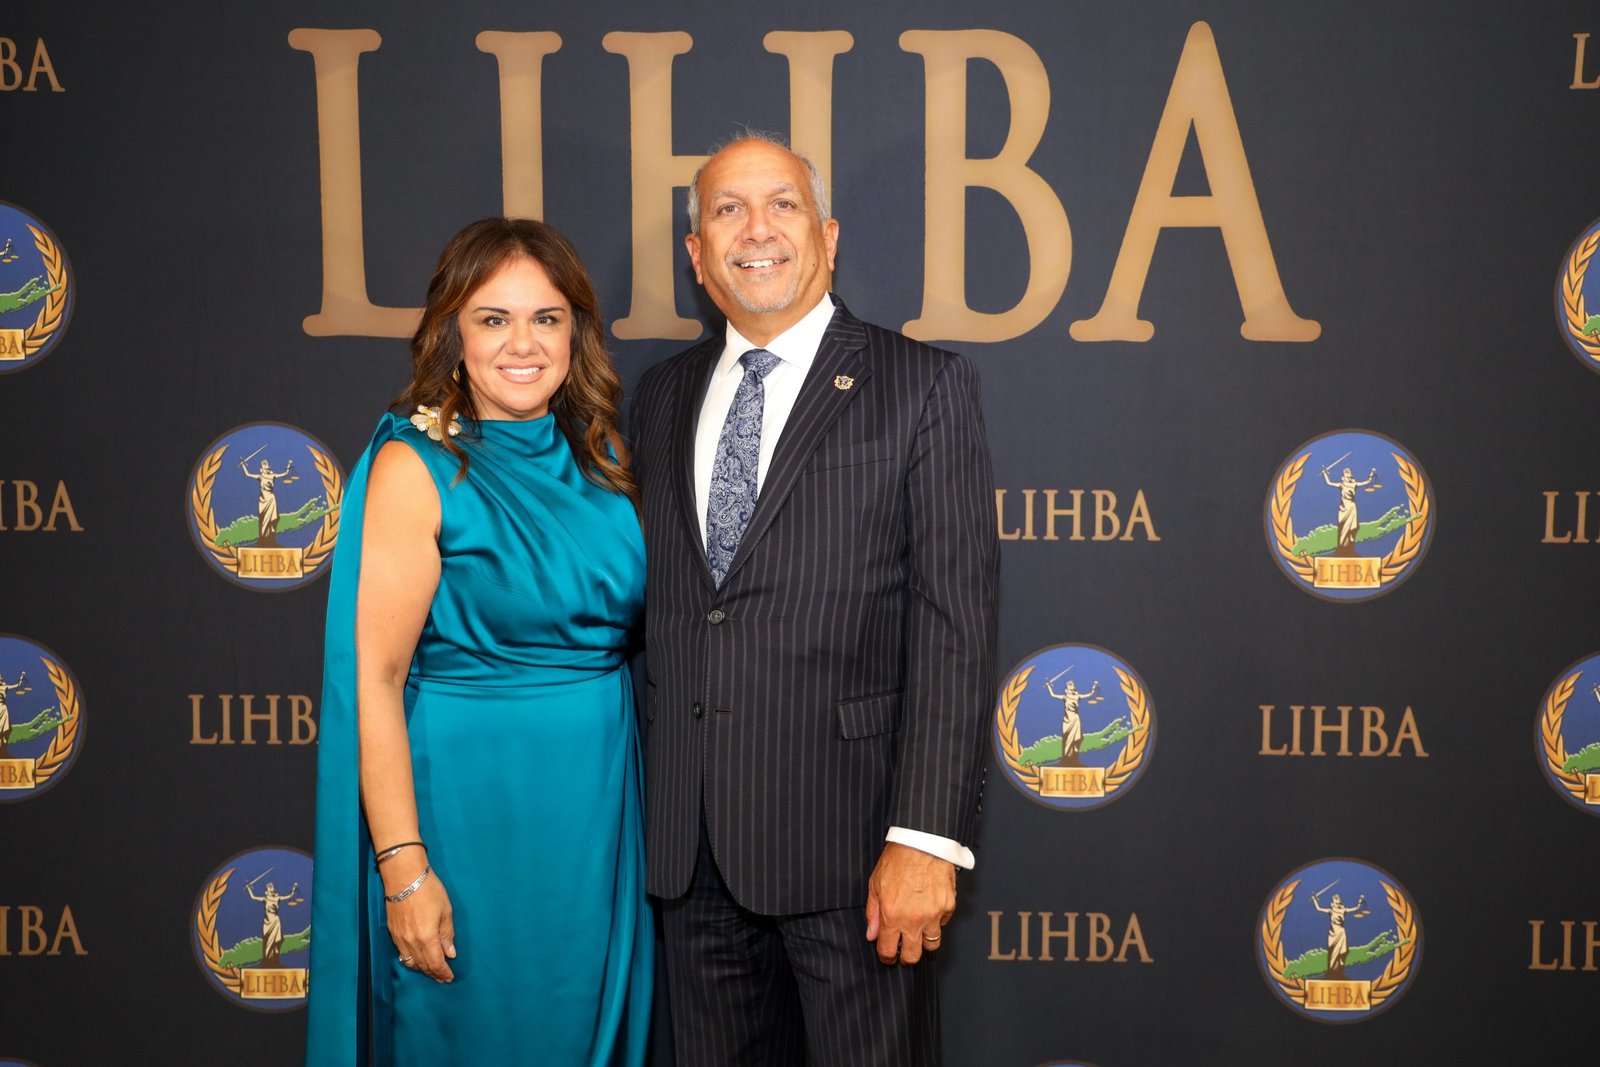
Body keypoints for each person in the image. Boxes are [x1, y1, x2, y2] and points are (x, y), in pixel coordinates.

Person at [629, 134, 998, 1065]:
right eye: (728, 210)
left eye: (782, 205)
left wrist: (926, 839)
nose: (756, 230)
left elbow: (954, 630)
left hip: (856, 856)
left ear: (828, 238)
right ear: (697, 255)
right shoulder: (658, 397)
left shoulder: (922, 385)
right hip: (691, 858)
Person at [306, 218, 651, 1066]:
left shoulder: (603, 455)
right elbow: (374, 679)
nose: (522, 344)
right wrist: (404, 869)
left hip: (600, 812)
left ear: (576, 333)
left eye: (546, 318)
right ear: (452, 335)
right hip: (469, 810)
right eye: (493, 318)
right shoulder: (414, 467)